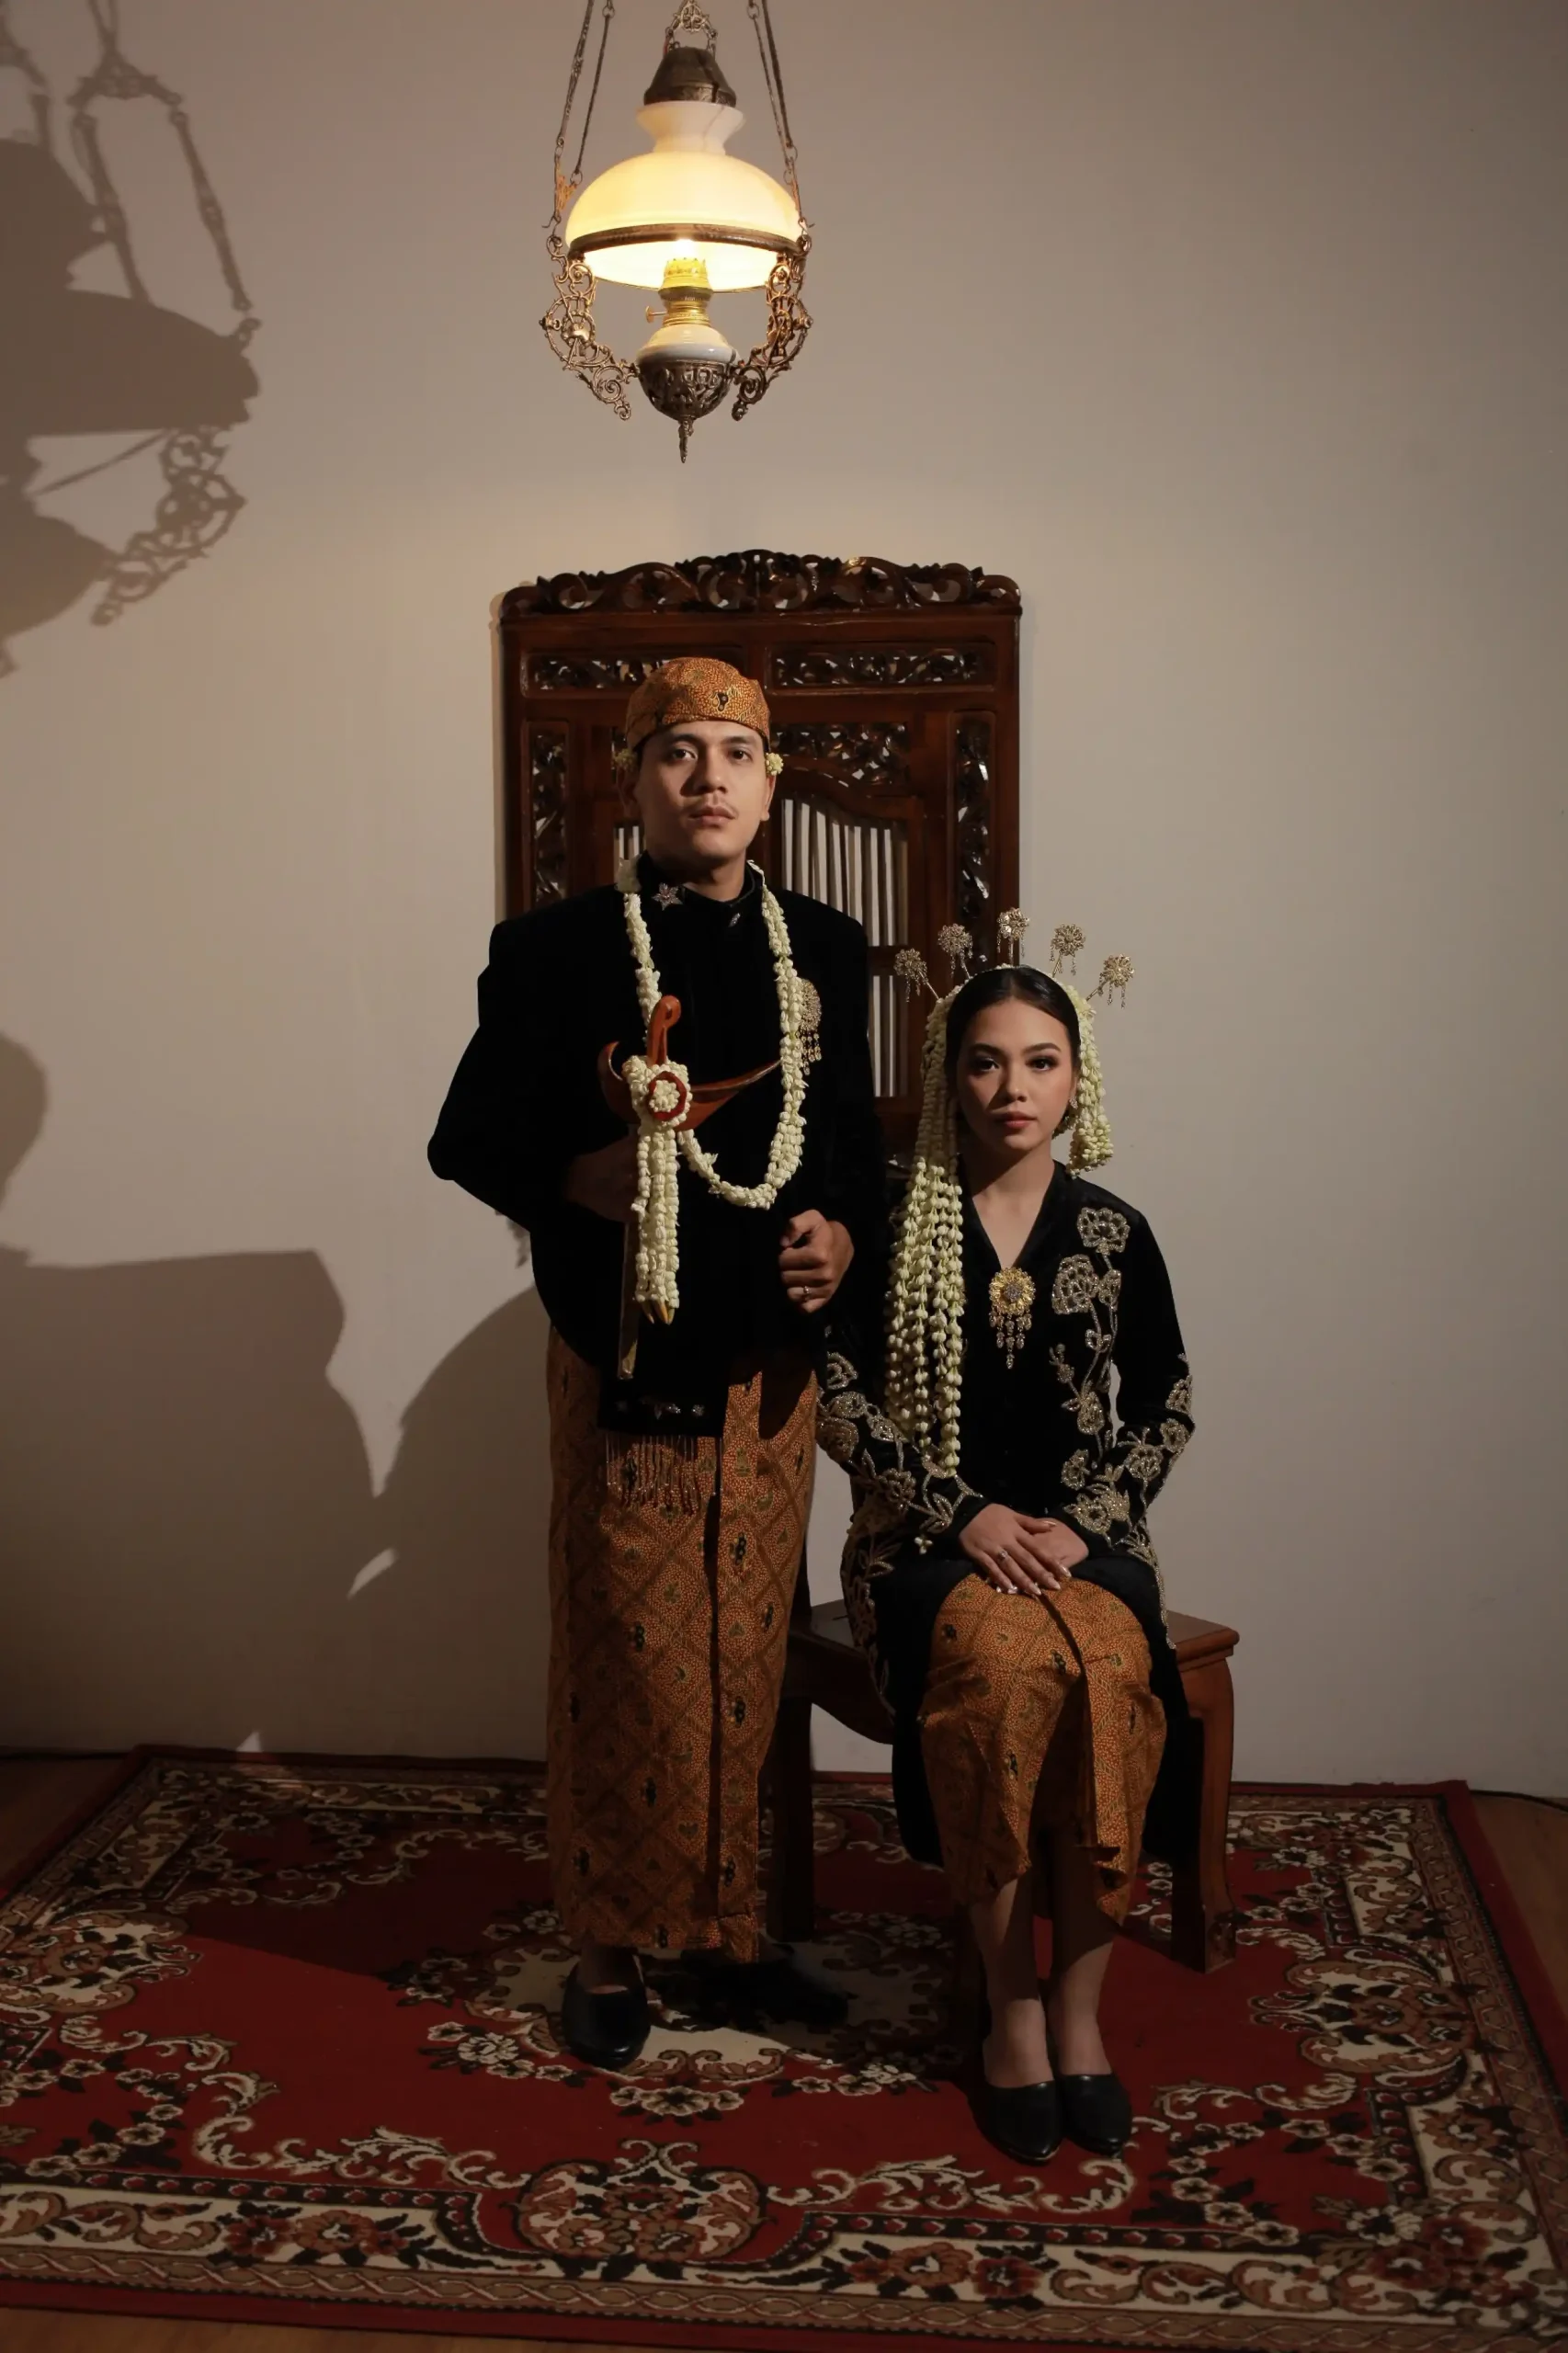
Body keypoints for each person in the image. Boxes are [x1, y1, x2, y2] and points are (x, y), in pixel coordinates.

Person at [429, 658, 884, 2071]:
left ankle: (728, 1930)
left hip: (772, 1371)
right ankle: (608, 1947)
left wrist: (839, 1235)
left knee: (743, 1649)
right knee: (626, 1653)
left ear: (771, 782)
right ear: (632, 782)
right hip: (624, 1353)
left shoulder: (825, 945)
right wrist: (575, 1175)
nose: (707, 777)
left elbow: (849, 1147)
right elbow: (465, 1138)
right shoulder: (554, 950)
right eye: (677, 751)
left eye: (734, 752)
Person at [819, 918, 1196, 2164]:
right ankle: (1012, 2006)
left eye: (1041, 1061)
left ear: (1077, 1077)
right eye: (984, 1061)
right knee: (998, 1673)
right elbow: (837, 1393)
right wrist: (960, 1512)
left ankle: (1080, 2015)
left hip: (1085, 1543)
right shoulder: (888, 1223)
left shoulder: (1115, 1233)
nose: (1012, 1088)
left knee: (1108, 1676)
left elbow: (1168, 1400)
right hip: (925, 1545)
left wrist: (1084, 1528)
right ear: (949, 1076)